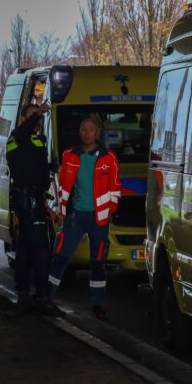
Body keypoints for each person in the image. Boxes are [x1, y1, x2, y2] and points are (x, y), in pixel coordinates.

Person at [51, 117, 121, 320]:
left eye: (90, 130)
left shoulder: (110, 158)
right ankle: (46, 296)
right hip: (76, 216)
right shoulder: (69, 155)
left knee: (97, 262)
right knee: (60, 255)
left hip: (99, 219)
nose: (86, 133)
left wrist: (111, 211)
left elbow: (115, 187)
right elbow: (62, 184)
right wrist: (58, 209)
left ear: (98, 132)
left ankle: (97, 304)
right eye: (83, 129)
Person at [5, 102, 60, 316]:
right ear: (22, 120)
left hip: (36, 200)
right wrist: (38, 112)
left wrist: (46, 204)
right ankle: (42, 297)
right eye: (31, 116)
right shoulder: (16, 139)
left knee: (26, 250)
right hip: (27, 201)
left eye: (38, 118)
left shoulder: (39, 141)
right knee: (41, 249)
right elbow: (23, 131)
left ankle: (24, 297)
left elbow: (38, 176)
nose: (36, 121)